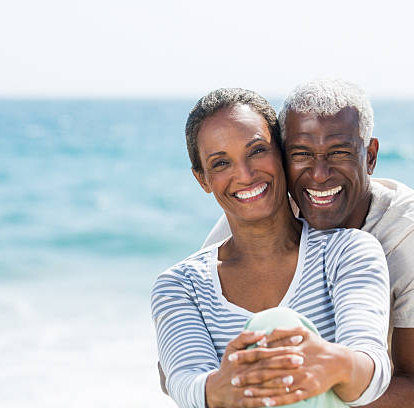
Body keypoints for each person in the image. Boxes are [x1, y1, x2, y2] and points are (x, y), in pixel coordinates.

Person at [202, 79, 414, 408]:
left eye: (338, 153)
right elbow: (186, 365)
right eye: (301, 155)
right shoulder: (252, 221)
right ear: (282, 157)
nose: (319, 174)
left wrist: (315, 390)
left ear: (369, 156)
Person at [151, 88, 391, 408]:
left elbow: (371, 364)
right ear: (203, 179)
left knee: (278, 325)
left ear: (281, 153)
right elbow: (184, 380)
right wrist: (226, 385)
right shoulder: (180, 285)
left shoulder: (347, 251)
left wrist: (333, 364)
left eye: (257, 151)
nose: (245, 175)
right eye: (221, 163)